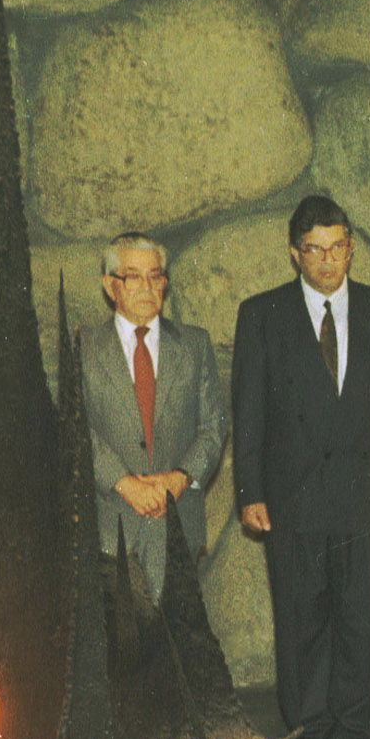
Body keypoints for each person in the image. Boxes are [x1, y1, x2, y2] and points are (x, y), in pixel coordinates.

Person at [232, 196, 370, 739]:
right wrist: (249, 491)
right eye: (313, 250)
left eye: (336, 247)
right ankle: (310, 737)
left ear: (351, 248)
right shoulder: (261, 314)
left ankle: (356, 738)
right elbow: (248, 410)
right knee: (302, 618)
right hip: (293, 496)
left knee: (363, 618)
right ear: (295, 254)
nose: (326, 261)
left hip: (366, 495)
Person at [82, 232, 229, 603]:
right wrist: (124, 483)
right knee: (121, 649)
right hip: (110, 523)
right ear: (109, 285)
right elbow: (77, 428)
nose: (147, 287)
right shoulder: (83, 348)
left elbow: (214, 426)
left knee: (177, 648)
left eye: (156, 276)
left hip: (178, 523)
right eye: (133, 276)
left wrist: (180, 479)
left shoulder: (195, 345)